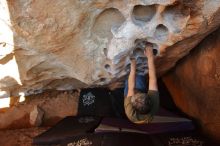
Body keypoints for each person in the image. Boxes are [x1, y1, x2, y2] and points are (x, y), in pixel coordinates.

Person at [124, 43, 160, 124]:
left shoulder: (130, 112)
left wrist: (133, 66)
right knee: (139, 76)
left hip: (130, 94)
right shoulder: (154, 103)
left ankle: (128, 76)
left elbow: (131, 88)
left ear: (132, 105)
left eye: (135, 95)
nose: (136, 92)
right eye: (139, 94)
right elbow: (152, 79)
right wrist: (150, 56)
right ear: (148, 98)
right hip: (141, 92)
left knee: (128, 80)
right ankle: (140, 85)